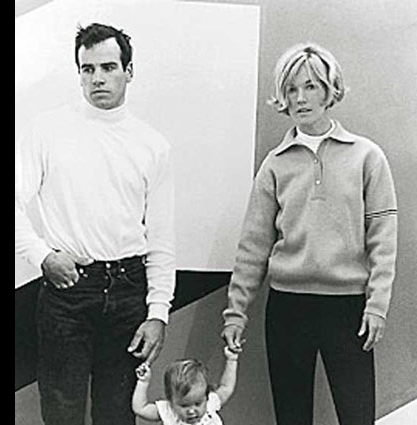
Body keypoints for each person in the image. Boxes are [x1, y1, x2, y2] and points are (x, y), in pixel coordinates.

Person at [221, 42, 397, 425]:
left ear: (330, 90)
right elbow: (253, 246)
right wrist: (235, 313)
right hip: (287, 308)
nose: (301, 98)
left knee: (357, 415)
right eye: (291, 89)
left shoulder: (367, 157)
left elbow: (383, 239)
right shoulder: (275, 165)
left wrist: (377, 304)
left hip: (348, 309)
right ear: (283, 97)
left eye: (311, 87)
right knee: (292, 416)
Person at [15, 23, 176, 425]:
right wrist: (42, 256)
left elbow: (161, 235)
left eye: (108, 67)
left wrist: (157, 312)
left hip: (128, 292)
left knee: (117, 416)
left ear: (129, 71)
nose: (98, 78)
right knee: (62, 414)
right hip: (67, 293)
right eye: (87, 69)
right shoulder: (47, 130)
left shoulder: (151, 145)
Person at [132, 346, 239, 424]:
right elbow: (140, 408)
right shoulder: (169, 412)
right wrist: (143, 382)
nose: (192, 411)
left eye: (197, 404)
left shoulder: (210, 404)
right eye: (184, 405)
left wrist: (231, 360)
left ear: (206, 397)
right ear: (171, 400)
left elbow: (226, 387)